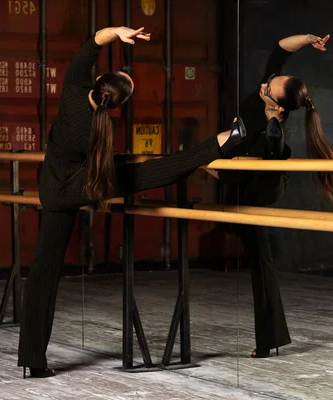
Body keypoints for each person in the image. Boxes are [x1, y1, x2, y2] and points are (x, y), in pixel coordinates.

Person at [17, 25, 247, 378]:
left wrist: (117, 33)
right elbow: (102, 167)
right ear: (118, 105)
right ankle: (217, 145)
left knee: (43, 271)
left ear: (97, 84)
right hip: (78, 188)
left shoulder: (74, 89)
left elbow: (92, 41)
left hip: (51, 189)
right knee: (148, 174)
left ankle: (33, 360)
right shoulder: (99, 131)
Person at [219, 33, 333, 358]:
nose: (264, 85)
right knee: (257, 256)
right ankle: (270, 337)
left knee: (261, 259)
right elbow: (278, 50)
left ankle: (269, 339)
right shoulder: (269, 88)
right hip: (249, 177)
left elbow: (242, 171)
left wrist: (204, 162)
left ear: (276, 105)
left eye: (269, 89)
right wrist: (307, 38)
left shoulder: (271, 127)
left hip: (264, 185)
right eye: (269, 82)